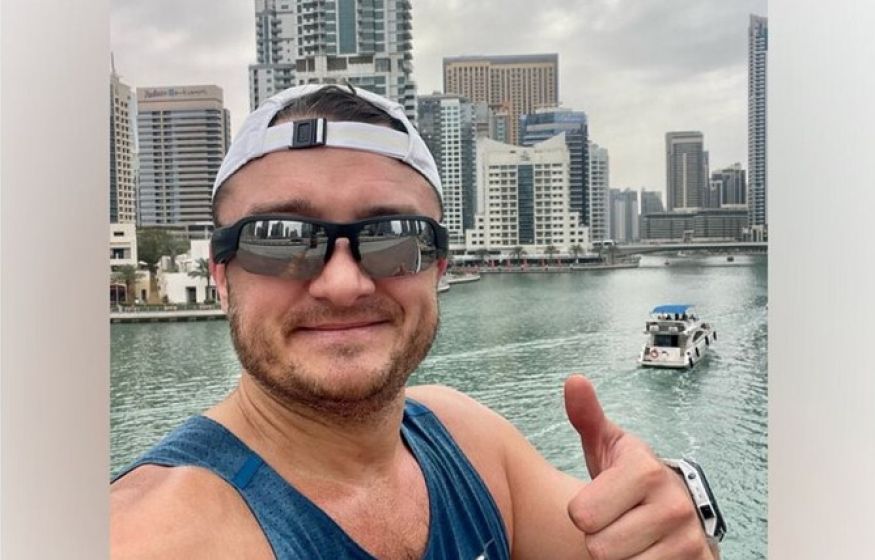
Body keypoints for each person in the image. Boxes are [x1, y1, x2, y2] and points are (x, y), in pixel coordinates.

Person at [111, 84, 721, 559]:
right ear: (221, 276)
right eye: (280, 238)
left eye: (392, 236)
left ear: (438, 268)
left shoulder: (468, 443)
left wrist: (674, 518)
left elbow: (631, 542)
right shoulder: (151, 533)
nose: (344, 284)